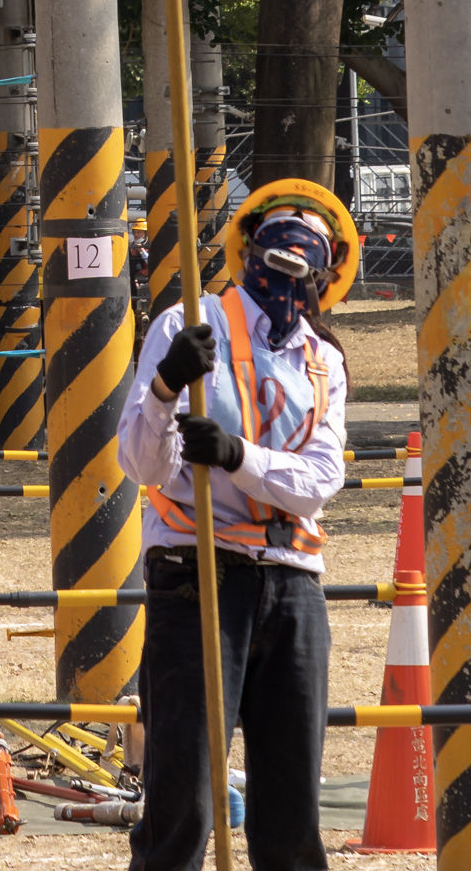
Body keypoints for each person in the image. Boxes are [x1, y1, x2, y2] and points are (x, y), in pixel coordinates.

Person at [114, 187, 354, 871]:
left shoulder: (324, 360)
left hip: (292, 586)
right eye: (280, 236)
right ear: (248, 248)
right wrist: (165, 387)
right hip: (196, 577)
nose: (292, 251)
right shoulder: (187, 326)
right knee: (181, 801)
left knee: (290, 809)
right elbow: (141, 464)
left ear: (329, 269)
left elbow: (320, 480)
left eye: (311, 241)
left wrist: (236, 456)